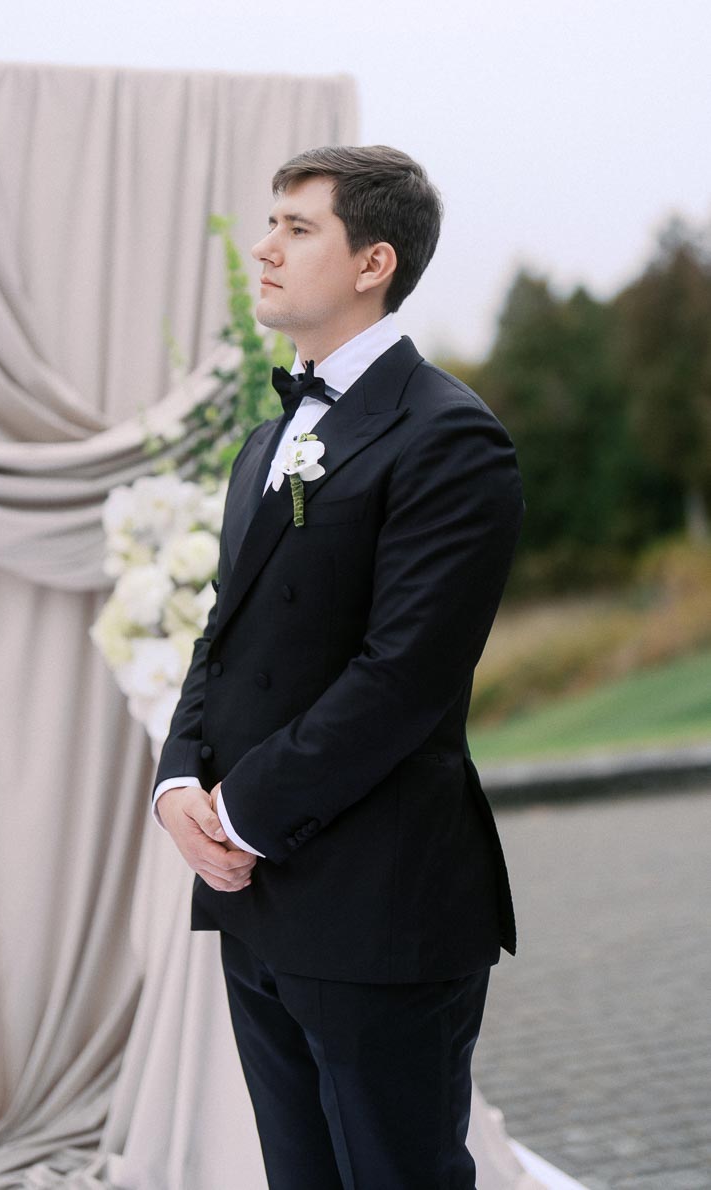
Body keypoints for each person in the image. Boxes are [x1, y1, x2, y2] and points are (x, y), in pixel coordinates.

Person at [151, 144, 526, 1189]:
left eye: (296, 227)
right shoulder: (263, 447)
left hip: (382, 904)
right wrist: (180, 780)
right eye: (269, 225)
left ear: (375, 262)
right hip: (258, 900)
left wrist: (241, 813)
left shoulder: (452, 438)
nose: (264, 250)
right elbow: (225, 635)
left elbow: (403, 677)